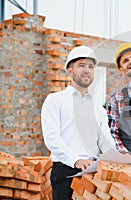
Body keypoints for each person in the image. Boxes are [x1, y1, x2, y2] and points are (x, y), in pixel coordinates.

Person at [41, 46, 116, 199]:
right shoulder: (55, 100)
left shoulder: (98, 108)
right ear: (70, 70)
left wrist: (118, 156)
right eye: (81, 65)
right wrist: (76, 160)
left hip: (92, 172)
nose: (87, 70)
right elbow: (52, 139)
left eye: (90, 66)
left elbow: (105, 141)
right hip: (65, 171)